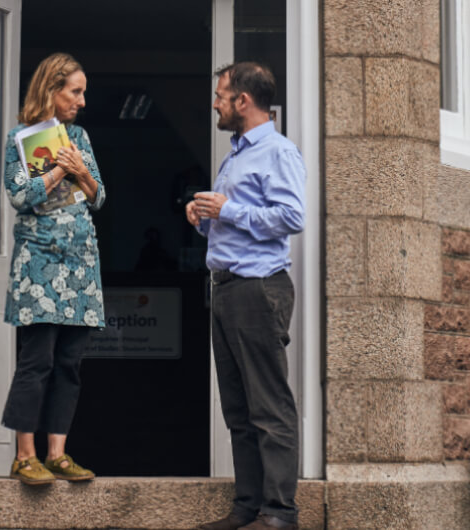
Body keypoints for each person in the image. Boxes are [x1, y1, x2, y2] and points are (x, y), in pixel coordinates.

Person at [187, 62, 305, 530]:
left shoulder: (278, 151)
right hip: (227, 288)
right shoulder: (234, 155)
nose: (215, 103)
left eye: (221, 95)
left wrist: (229, 209)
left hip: (259, 290)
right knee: (238, 410)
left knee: (269, 407)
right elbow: (239, 221)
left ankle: (278, 515)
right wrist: (206, 219)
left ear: (243, 101)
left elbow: (291, 216)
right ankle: (248, 508)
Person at [1, 53, 105, 485]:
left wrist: (81, 171)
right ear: (51, 90)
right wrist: (57, 168)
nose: (81, 100)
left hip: (81, 267)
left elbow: (99, 198)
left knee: (69, 363)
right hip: (40, 266)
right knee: (36, 360)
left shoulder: (79, 135)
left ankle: (57, 453)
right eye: (75, 91)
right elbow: (20, 196)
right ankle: (25, 455)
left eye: (82, 92)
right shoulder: (21, 138)